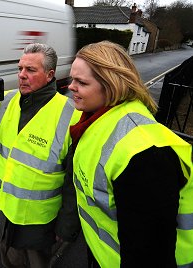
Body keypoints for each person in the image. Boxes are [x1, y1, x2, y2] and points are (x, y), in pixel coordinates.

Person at [67, 40, 193, 267]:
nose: (70, 87)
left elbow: (150, 255)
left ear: (112, 85)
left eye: (81, 82)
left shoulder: (145, 156)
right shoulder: (95, 118)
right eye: (72, 79)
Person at [0, 43, 82, 267]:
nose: (22, 75)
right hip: (3, 213)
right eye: (20, 69)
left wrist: (66, 226)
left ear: (50, 75)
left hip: (39, 224)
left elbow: (74, 180)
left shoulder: (71, 114)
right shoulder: (6, 101)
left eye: (30, 70)